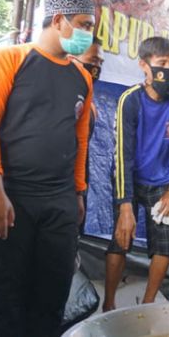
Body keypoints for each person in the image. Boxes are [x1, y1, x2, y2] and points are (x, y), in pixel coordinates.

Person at [0, 0, 95, 336]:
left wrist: (78, 193)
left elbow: (79, 140)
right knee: (2, 303)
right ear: (58, 21)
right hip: (9, 199)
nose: (89, 34)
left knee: (50, 301)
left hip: (59, 205)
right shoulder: (7, 60)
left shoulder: (81, 77)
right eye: (84, 24)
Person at [102, 37, 169, 311]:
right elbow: (123, 155)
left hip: (163, 182)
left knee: (165, 245)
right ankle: (108, 304)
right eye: (162, 63)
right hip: (128, 179)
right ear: (144, 65)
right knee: (121, 240)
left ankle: (148, 305)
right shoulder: (130, 100)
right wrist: (125, 206)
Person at [71, 37, 104, 233]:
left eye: (100, 62)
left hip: (75, 187)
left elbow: (81, 149)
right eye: (92, 60)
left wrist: (79, 192)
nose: (96, 67)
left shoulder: (90, 107)